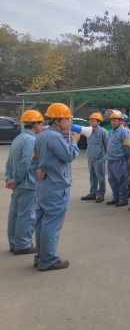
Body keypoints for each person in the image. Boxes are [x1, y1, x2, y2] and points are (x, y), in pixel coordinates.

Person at [30, 103, 80, 270]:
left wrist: (37, 170)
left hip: (43, 186)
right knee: (52, 225)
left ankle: (40, 257)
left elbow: (34, 160)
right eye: (67, 119)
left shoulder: (41, 136)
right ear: (57, 120)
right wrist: (74, 142)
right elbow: (69, 156)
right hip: (56, 187)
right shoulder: (55, 137)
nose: (69, 122)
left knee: (42, 223)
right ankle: (49, 260)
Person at [5, 110, 44, 255]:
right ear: (35, 124)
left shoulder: (18, 138)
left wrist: (10, 178)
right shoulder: (31, 140)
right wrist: (15, 180)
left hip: (17, 183)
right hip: (27, 183)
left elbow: (9, 161)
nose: (41, 127)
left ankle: (14, 243)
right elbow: (26, 162)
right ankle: (22, 244)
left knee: (15, 214)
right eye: (40, 124)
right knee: (27, 215)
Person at [80, 113, 108, 203]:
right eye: (90, 120)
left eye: (93, 121)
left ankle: (101, 195)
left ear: (99, 122)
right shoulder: (88, 131)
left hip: (99, 158)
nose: (91, 122)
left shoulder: (103, 132)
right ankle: (92, 193)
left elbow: (107, 145)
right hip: (90, 157)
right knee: (92, 177)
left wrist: (105, 156)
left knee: (100, 177)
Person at [105, 111, 130, 207]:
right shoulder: (113, 131)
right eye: (112, 120)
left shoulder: (123, 131)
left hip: (119, 159)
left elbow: (127, 146)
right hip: (111, 159)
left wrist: (127, 157)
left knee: (121, 180)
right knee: (112, 180)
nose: (113, 122)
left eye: (115, 120)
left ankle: (123, 199)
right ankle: (116, 197)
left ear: (120, 121)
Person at [121, 114, 130, 199]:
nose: (121, 122)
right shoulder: (117, 131)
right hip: (120, 157)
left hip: (128, 157)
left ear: (126, 122)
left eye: (122, 121)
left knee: (129, 174)